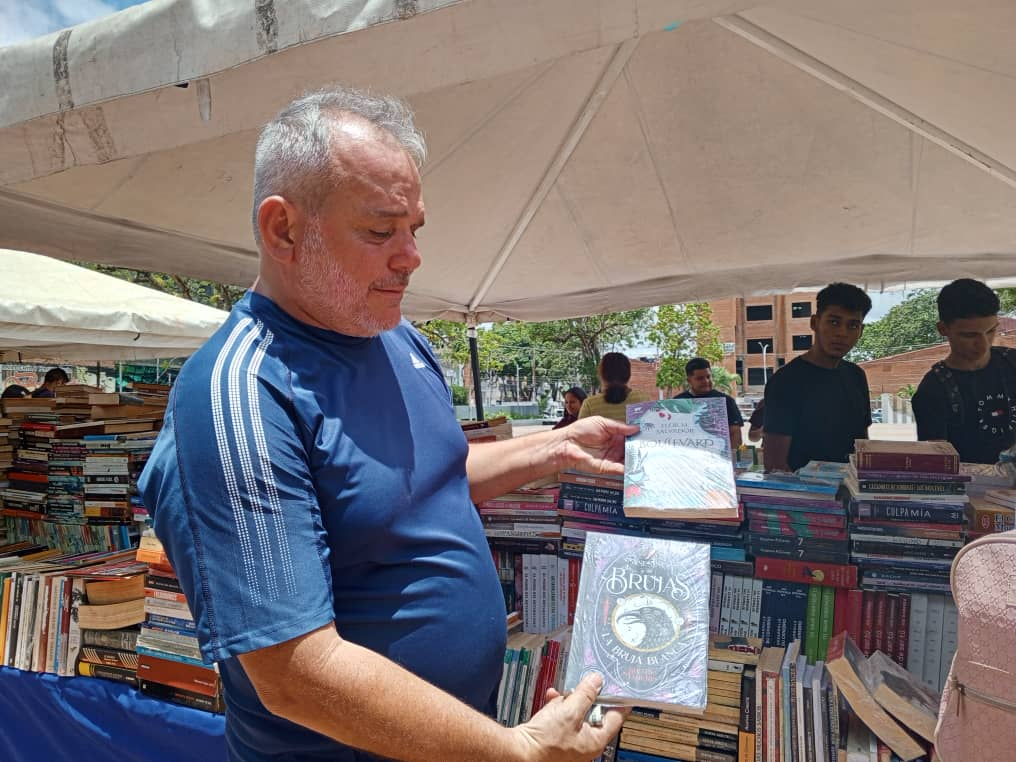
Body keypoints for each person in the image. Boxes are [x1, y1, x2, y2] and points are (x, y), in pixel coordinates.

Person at [138, 86, 631, 762]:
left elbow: (428, 478)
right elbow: (292, 672)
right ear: (282, 230)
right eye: (380, 232)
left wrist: (556, 446)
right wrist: (514, 753)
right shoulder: (240, 393)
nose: (411, 256)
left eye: (414, 229)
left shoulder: (396, 337)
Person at [763, 283, 872, 472]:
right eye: (834, 322)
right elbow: (775, 466)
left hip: (851, 487)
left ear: (861, 331)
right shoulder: (785, 382)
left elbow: (862, 446)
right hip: (802, 489)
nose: (842, 333)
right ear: (815, 323)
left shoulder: (856, 376)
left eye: (852, 325)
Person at [912, 278, 1016, 464]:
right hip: (970, 482)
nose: (983, 345)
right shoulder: (933, 390)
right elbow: (936, 466)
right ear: (943, 329)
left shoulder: (1012, 362)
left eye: (990, 331)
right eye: (969, 335)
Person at [674, 358, 744, 449]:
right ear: (689, 380)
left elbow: (735, 433)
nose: (706, 381)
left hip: (719, 455)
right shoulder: (677, 403)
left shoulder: (727, 401)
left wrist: (731, 455)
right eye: (700, 378)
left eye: (708, 377)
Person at [577, 352, 651, 422]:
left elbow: (581, 431)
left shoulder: (590, 404)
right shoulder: (643, 398)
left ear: (601, 375)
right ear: (628, 375)